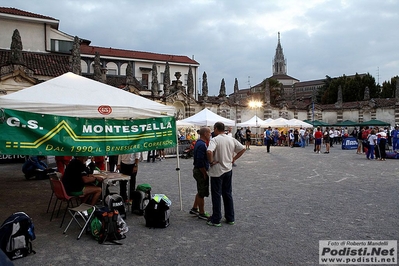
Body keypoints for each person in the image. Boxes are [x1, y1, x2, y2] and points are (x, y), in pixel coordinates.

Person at [206, 122, 246, 227]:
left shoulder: (215, 140)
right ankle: (230, 217)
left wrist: (211, 162)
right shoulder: (230, 139)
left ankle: (216, 218)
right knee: (227, 193)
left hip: (217, 170)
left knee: (216, 195)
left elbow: (209, 151)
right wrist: (234, 159)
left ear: (215, 129)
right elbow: (243, 148)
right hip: (228, 169)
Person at [190, 127, 211, 220]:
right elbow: (200, 161)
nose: (210, 135)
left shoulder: (199, 142)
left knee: (200, 190)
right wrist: (204, 173)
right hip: (200, 170)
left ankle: (195, 208)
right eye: (209, 133)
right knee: (202, 192)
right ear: (205, 133)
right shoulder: (202, 145)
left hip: (197, 169)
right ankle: (201, 212)